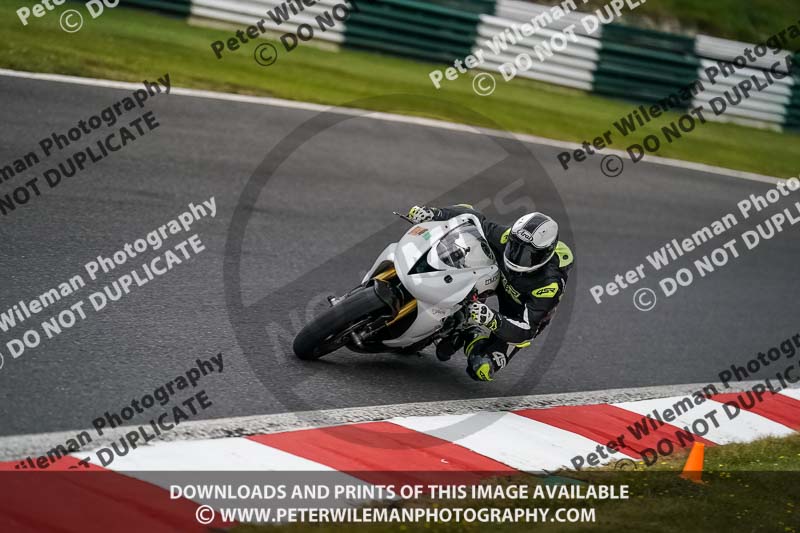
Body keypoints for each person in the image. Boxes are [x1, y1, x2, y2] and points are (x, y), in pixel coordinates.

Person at [407, 205, 574, 382]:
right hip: (497, 279)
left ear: (546, 255)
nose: (517, 256)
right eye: (515, 247)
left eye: (528, 255)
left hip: (517, 313)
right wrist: (435, 213)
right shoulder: (506, 236)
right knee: (472, 245)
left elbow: (527, 330)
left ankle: (469, 332)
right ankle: (446, 303)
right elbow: (473, 218)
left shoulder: (549, 285)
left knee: (482, 368)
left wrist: (491, 319)